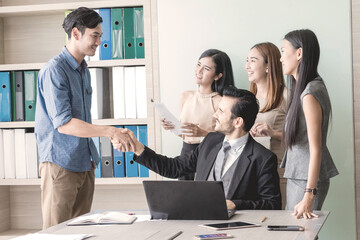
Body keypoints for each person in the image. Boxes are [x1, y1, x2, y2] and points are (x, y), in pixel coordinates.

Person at [35, 7, 135, 229]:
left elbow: (83, 119)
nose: (99, 42)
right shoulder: (54, 70)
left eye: (100, 36)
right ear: (76, 33)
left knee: (81, 231)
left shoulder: (83, 69)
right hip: (60, 164)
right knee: (56, 233)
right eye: (95, 35)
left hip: (85, 162)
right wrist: (110, 131)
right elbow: (63, 124)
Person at [116, 87, 282, 210]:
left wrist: (235, 204)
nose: (215, 115)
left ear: (237, 122)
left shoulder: (264, 158)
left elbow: (272, 204)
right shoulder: (211, 141)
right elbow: (174, 168)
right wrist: (137, 147)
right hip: (198, 221)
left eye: (221, 111)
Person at [279, 29, 339, 219]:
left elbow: (316, 148)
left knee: (300, 234)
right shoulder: (305, 88)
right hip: (300, 175)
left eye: (283, 51)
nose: (281, 59)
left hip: (306, 180)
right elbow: (301, 135)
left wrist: (309, 194)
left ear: (299, 53)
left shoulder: (309, 93)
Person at [162, 49, 234, 180]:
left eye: (206, 68)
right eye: (198, 64)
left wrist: (203, 134)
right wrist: (173, 127)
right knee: (184, 197)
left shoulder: (223, 102)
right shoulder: (185, 96)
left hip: (209, 155)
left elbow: (230, 138)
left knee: (204, 197)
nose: (199, 70)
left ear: (218, 75)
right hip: (185, 154)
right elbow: (186, 135)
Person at [245, 42, 287, 208]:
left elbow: (302, 137)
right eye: (246, 60)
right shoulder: (246, 98)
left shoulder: (286, 96)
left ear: (269, 66)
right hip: (250, 173)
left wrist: (273, 133)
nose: (247, 66)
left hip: (278, 173)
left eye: (253, 60)